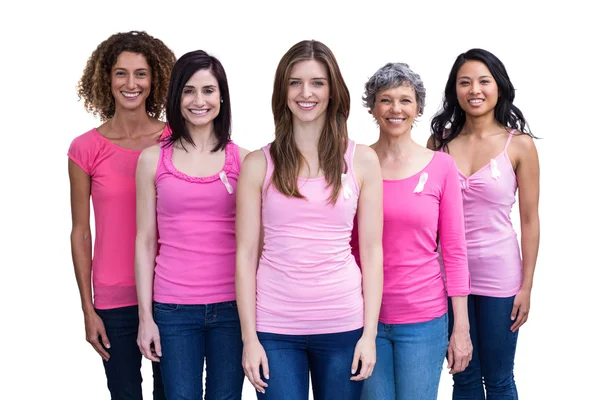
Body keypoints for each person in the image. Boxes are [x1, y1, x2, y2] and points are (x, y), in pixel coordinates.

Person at [235, 39, 384, 400]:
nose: (306, 92)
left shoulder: (362, 161)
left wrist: (369, 335)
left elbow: (372, 251)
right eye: (295, 82)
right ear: (282, 91)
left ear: (332, 91)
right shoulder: (258, 164)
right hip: (274, 327)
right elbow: (244, 255)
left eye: (317, 82)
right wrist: (249, 338)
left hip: (343, 324)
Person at [352, 63, 472, 400]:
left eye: (405, 100)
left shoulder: (441, 166)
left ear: (418, 108)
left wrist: (460, 326)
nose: (395, 109)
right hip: (363, 318)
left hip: (424, 319)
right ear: (372, 107)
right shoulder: (354, 164)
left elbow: (454, 250)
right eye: (386, 100)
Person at [135, 50, 248, 400]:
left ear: (222, 96)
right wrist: (145, 317)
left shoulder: (243, 160)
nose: (199, 100)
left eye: (208, 90)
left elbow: (254, 245)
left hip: (232, 307)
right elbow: (145, 241)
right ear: (175, 97)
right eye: (188, 90)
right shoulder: (153, 159)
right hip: (172, 308)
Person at [68, 30, 175, 399]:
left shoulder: (175, 140)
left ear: (155, 79)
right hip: (113, 298)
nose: (131, 84)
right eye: (121, 73)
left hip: (170, 290)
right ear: (105, 78)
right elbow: (81, 232)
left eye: (141, 73)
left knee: (173, 392)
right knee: (125, 393)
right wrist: (88, 309)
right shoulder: (85, 148)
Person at [428, 48, 540, 399]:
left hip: (500, 275)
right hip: (446, 276)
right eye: (465, 82)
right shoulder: (439, 144)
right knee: (463, 377)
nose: (474, 90)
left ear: (499, 87)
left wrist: (526, 287)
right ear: (455, 91)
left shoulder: (518, 145)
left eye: (483, 81)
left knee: (499, 379)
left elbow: (530, 220)